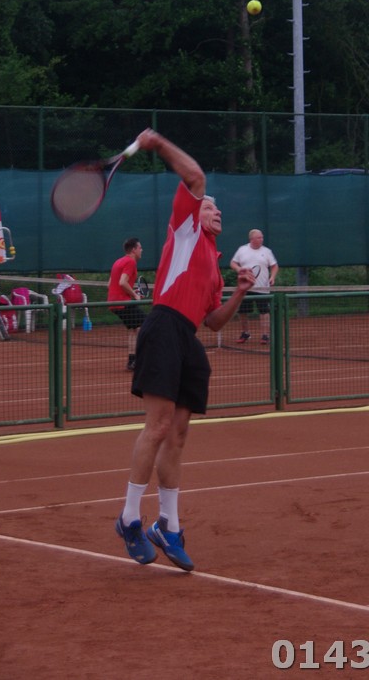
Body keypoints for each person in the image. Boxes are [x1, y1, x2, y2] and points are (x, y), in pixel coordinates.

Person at [115, 128, 256, 572]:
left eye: (217, 209)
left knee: (177, 434)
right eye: (210, 206)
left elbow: (213, 321)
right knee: (157, 426)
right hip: (163, 326)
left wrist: (239, 292)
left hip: (189, 338)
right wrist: (157, 143)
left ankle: (168, 526)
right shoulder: (186, 227)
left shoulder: (213, 266)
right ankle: (129, 518)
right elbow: (195, 176)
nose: (216, 211)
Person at [230, 228, 279, 344]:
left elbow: (274, 266)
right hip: (245, 287)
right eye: (259, 237)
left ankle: (265, 335)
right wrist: (239, 269)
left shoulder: (267, 251)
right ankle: (245, 333)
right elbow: (233, 263)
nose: (261, 239)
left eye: (262, 237)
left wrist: (272, 277)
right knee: (243, 311)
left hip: (262, 288)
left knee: (264, 311)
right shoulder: (242, 250)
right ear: (251, 239)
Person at [107, 238, 147, 371]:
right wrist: (135, 295)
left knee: (133, 329)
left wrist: (131, 293)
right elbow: (122, 282)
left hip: (114, 303)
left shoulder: (118, 262)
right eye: (140, 248)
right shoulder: (130, 262)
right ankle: (144, 359)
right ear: (134, 250)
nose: (142, 250)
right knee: (146, 326)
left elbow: (110, 284)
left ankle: (132, 362)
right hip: (123, 303)